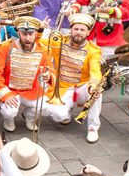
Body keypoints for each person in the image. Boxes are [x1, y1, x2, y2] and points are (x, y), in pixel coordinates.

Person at [42, 13, 104, 142]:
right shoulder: (59, 41)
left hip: (83, 87)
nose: (78, 32)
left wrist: (93, 86)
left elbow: (95, 71)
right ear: (70, 29)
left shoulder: (93, 50)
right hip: (64, 87)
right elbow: (40, 43)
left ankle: (93, 128)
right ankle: (67, 112)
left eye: (82, 30)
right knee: (58, 116)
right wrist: (40, 30)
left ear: (88, 33)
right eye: (76, 29)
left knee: (97, 92)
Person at [0, 17, 51, 132]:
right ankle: (8, 120)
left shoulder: (42, 49)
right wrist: (5, 94)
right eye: (24, 34)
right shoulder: (4, 48)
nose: (28, 38)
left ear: (36, 34)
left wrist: (48, 76)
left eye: (31, 34)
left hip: (31, 91)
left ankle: (29, 117)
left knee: (47, 108)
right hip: (10, 90)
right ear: (18, 33)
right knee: (9, 112)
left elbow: (50, 71)